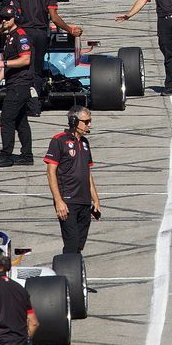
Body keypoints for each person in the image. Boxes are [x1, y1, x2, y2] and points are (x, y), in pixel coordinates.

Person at [43, 109, 100, 259]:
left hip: (84, 200)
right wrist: (58, 201)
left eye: (90, 121)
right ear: (74, 122)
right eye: (86, 121)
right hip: (68, 201)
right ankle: (68, 274)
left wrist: (96, 199)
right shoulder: (59, 141)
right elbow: (51, 172)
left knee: (79, 243)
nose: (89, 125)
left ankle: (75, 270)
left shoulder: (85, 143)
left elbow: (87, 173)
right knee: (72, 243)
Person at [0, 13, 37, 169]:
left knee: (6, 120)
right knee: (21, 121)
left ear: (15, 19)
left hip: (20, 85)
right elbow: (7, 66)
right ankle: (27, 155)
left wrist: (4, 62)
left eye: (7, 18)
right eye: (2, 19)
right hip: (13, 84)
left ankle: (6, 155)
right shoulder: (9, 37)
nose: (4, 21)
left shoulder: (21, 36)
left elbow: (25, 59)